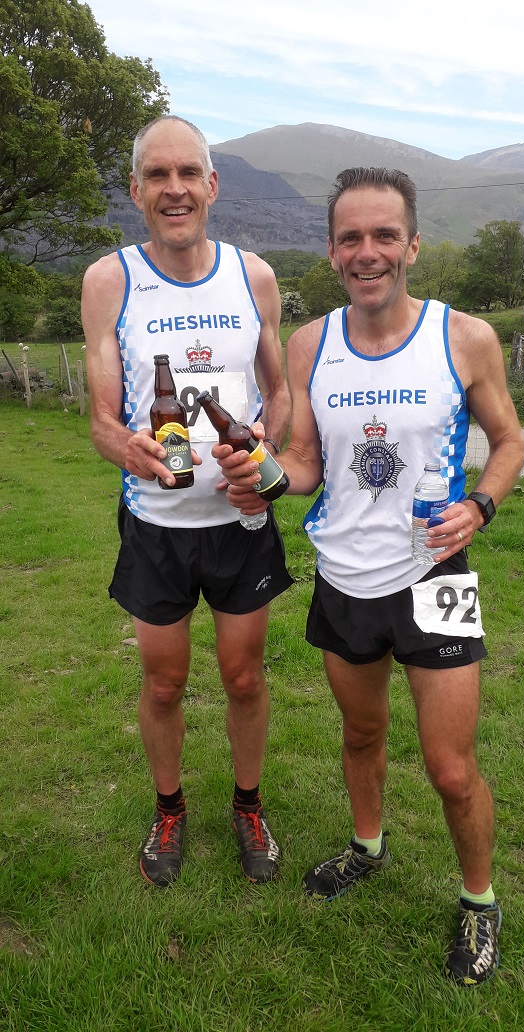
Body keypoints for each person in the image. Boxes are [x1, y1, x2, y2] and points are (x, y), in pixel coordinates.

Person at [212, 167, 524, 984]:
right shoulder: (310, 343)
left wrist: (481, 506)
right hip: (343, 578)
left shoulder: (466, 338)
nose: (367, 251)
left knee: (452, 768)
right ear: (331, 250)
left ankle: (479, 902)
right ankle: (366, 847)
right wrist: (261, 473)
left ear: (412, 245)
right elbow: (307, 466)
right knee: (359, 735)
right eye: (350, 237)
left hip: (436, 575)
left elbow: (511, 441)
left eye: (384, 234)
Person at [81, 115, 293, 888]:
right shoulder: (110, 279)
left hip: (240, 521)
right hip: (157, 525)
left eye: (188, 173)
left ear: (212, 184)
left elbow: (280, 391)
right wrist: (125, 446)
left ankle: (247, 804)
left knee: (244, 676)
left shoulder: (254, 276)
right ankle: (168, 807)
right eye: (157, 175)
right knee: (164, 682)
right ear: (136, 189)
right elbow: (103, 421)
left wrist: (268, 441)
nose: (174, 189)